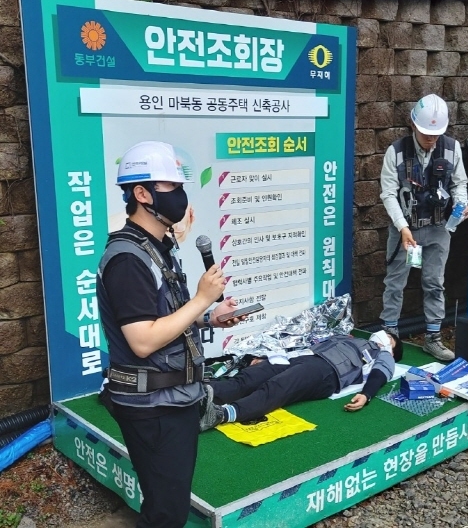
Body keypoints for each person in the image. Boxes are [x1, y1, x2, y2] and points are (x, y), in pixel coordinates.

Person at [97, 141, 242, 528]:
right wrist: (202, 298)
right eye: (169, 187)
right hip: (152, 407)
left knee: (168, 505)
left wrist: (209, 318)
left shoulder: (158, 247)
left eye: (179, 186)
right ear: (141, 194)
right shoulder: (128, 259)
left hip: (172, 399)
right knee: (165, 514)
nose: (179, 195)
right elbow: (143, 340)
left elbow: (167, 319)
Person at [379, 94, 468, 362]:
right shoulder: (395, 152)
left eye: (436, 133)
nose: (431, 139)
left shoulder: (452, 148)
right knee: (395, 282)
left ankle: (433, 337)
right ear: (413, 125)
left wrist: (461, 205)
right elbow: (388, 194)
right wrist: (402, 227)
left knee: (434, 283)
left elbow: (459, 183)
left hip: (440, 227)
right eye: (426, 133)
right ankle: (388, 337)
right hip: (406, 229)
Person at [199, 330, 403, 430]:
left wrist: (366, 395)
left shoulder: (383, 354)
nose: (383, 335)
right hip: (301, 357)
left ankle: (222, 414)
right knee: (251, 377)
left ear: (392, 350)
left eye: (389, 338)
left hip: (326, 370)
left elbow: (381, 373)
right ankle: (204, 393)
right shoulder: (351, 338)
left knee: (278, 386)